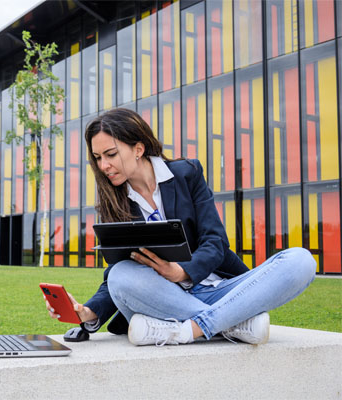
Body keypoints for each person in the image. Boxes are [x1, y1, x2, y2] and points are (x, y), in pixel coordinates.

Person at [46, 108, 316, 346]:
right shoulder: (113, 200)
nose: (104, 165)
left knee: (300, 260)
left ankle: (188, 330)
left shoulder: (187, 173)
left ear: (138, 149)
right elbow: (119, 267)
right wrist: (90, 312)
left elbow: (216, 242)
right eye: (97, 157)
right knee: (120, 275)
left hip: (218, 287)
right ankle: (232, 324)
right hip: (163, 298)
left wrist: (182, 272)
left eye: (111, 154)